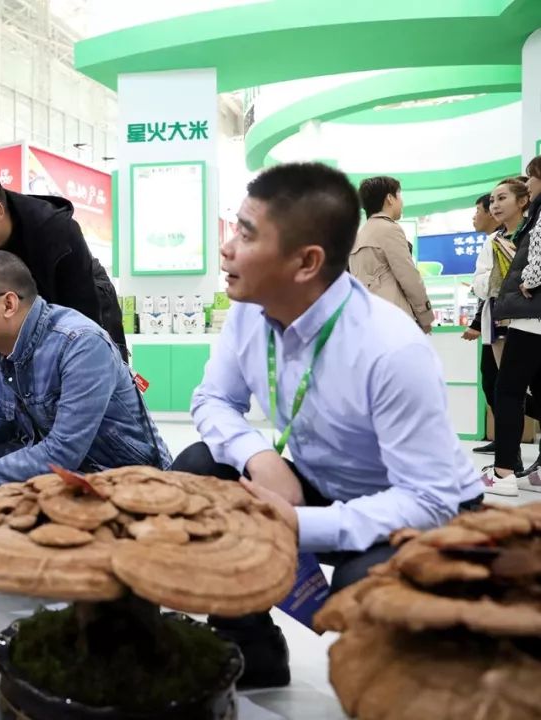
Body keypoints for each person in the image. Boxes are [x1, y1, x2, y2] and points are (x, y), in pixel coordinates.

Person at [176, 162, 482, 689]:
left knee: (365, 588)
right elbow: (212, 400)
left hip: (419, 513)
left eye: (246, 235)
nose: (226, 249)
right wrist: (260, 457)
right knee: (200, 470)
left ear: (306, 262)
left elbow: (429, 498)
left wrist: (300, 525)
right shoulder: (250, 312)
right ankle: (249, 648)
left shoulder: (390, 348)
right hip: (320, 484)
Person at [0, 251, 169, 488]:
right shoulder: (4, 349)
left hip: (121, 478)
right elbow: (2, 419)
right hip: (66, 471)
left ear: (8, 304)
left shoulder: (81, 343)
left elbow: (63, 452)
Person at [0, 163, 128, 361]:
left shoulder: (56, 232)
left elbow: (85, 321)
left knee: (94, 359)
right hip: (18, 311)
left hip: (79, 294)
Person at [488, 162, 541, 495]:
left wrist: (528, 279)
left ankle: (503, 473)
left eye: (533, 178)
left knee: (506, 390)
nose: (530, 183)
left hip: (530, 318)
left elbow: (538, 259)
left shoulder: (537, 218)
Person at [349, 176, 433, 332]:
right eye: (399, 195)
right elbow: (409, 277)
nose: (402, 202)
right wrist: (425, 316)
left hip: (367, 319)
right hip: (394, 318)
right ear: (389, 198)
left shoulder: (360, 235)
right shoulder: (389, 229)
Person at [464, 191, 511, 454]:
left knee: (505, 384)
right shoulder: (493, 241)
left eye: (499, 201)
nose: (477, 215)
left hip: (507, 322)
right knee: (493, 381)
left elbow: (493, 286)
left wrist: (475, 323)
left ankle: (509, 447)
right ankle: (506, 444)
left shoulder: (507, 240)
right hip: (493, 322)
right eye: (491, 203)